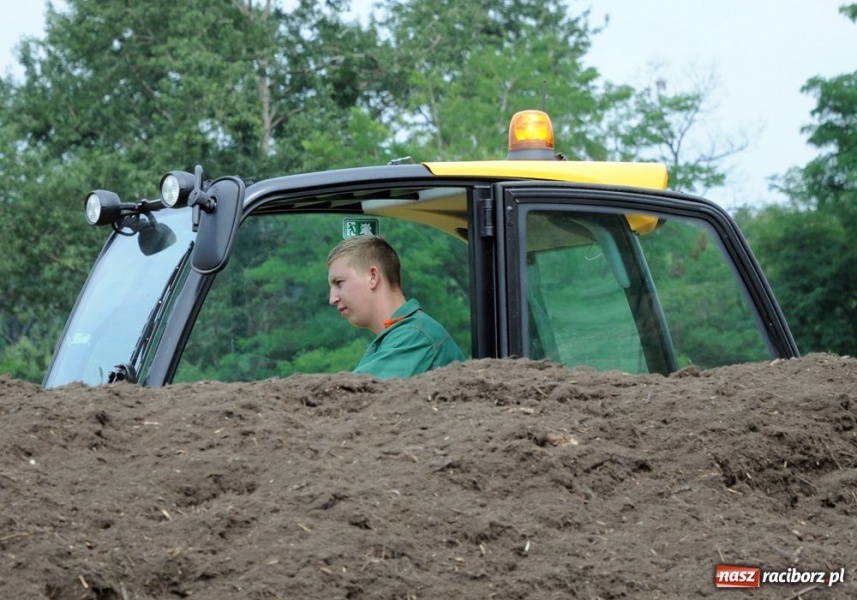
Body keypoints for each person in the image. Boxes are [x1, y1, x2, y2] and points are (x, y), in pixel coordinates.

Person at [327, 234, 465, 379]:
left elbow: (352, 396)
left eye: (339, 282)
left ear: (372, 277)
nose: (332, 299)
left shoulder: (415, 337)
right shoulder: (402, 335)